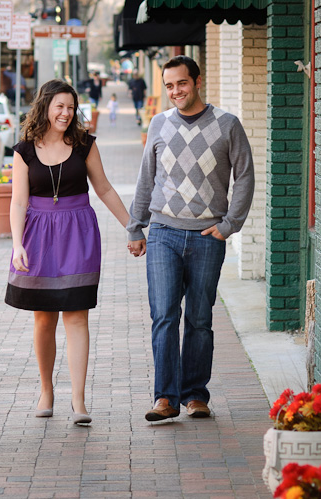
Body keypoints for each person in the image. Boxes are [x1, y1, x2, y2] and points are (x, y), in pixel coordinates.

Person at [126, 56, 255, 421]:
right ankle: (165, 398)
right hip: (164, 233)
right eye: (169, 86)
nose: (175, 92)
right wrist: (136, 227)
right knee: (164, 315)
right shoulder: (159, 125)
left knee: (199, 319)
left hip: (206, 236)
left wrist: (230, 225)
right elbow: (146, 178)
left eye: (181, 84)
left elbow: (245, 176)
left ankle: (195, 395)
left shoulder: (227, 125)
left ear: (197, 81)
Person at [5, 79, 131, 425]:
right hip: (37, 235)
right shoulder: (24, 150)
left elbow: (103, 188)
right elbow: (18, 201)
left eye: (71, 107)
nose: (65, 113)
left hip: (78, 232)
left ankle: (78, 399)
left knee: (76, 316)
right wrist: (17, 244)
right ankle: (46, 390)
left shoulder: (84, 145)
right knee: (43, 317)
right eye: (60, 106)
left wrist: (131, 226)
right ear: (45, 106)